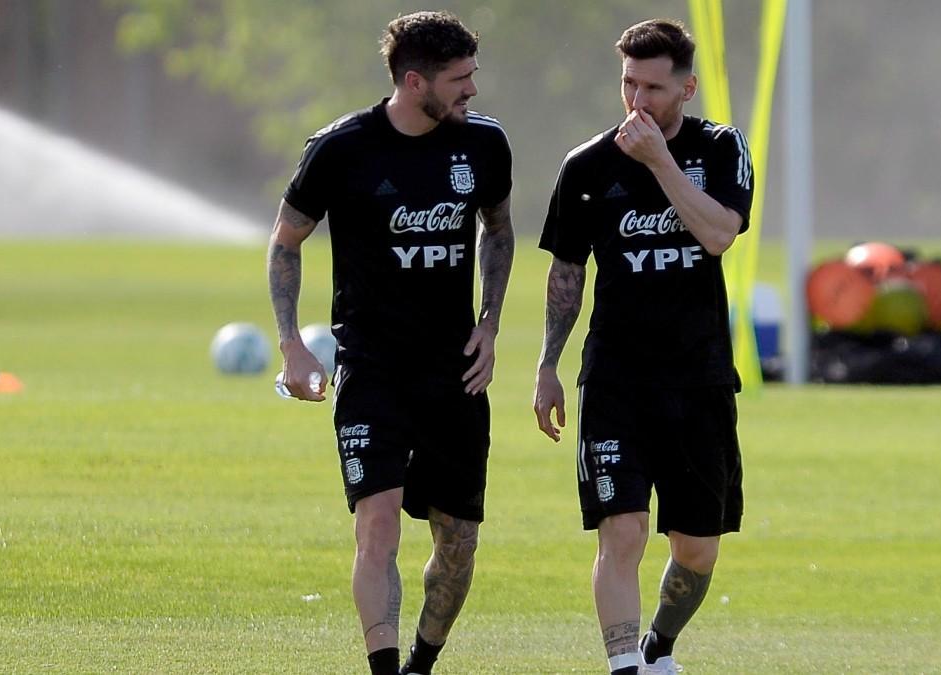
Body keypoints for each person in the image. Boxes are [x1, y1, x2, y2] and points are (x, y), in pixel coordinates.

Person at [267, 10, 514, 675]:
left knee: (457, 539)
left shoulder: (484, 145)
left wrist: (489, 323)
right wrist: (291, 343)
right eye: (459, 80)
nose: (471, 91)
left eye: (472, 76)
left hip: (455, 372)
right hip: (371, 367)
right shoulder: (342, 148)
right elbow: (286, 241)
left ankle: (421, 662)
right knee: (375, 524)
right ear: (413, 81)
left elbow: (498, 229)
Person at [532, 18, 752, 675]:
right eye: (628, 82)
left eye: (653, 87)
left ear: (686, 88)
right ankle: (624, 665)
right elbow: (566, 271)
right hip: (616, 377)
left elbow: (719, 235)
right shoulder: (587, 166)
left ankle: (658, 646)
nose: (637, 101)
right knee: (621, 530)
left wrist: (659, 161)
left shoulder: (719, 148)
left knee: (697, 547)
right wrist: (546, 364)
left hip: (698, 374)